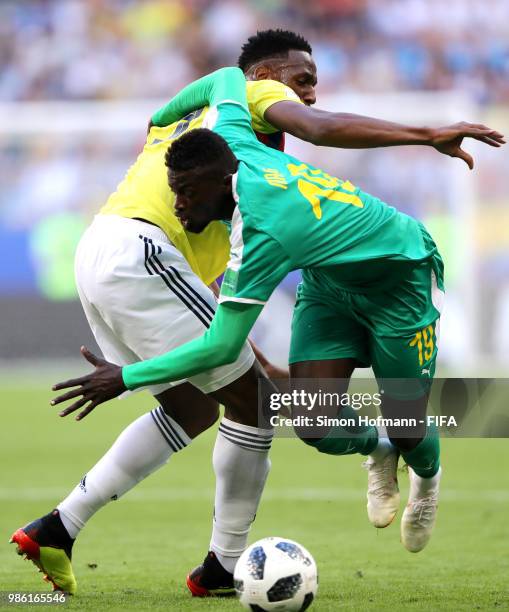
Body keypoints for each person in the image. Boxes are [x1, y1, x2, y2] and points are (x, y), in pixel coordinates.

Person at [12, 30, 505, 596]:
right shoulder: (249, 109)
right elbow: (314, 127)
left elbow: (228, 291)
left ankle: (60, 527)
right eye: (301, 82)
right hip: (145, 255)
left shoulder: (229, 135)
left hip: (107, 248)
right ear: (266, 79)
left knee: (198, 407)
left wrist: (159, 117)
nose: (309, 98)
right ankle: (224, 565)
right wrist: (426, 134)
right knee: (259, 406)